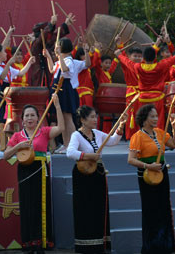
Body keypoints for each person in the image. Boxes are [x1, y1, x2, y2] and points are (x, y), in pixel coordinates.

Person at [3, 93, 66, 252]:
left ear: (38, 118)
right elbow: (6, 155)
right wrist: (19, 146)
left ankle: (41, 242)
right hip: (24, 171)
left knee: (41, 205)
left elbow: (61, 128)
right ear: (22, 120)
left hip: (40, 170)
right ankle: (29, 242)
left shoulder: (43, 132)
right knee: (27, 205)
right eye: (27, 116)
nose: (30, 118)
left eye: (32, 115)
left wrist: (57, 105)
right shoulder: (17, 136)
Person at [66, 106, 126, 253]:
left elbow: (112, 141)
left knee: (99, 207)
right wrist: (88, 156)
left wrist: (120, 127)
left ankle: (100, 242)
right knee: (85, 207)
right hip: (83, 175)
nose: (95, 119)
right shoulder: (76, 135)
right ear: (82, 120)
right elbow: (70, 152)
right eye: (92, 117)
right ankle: (86, 244)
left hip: (97, 174)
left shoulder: (97, 133)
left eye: (95, 116)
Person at [127, 104, 175, 254]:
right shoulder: (137, 136)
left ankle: (165, 245)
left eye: (156, 116)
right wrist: (148, 166)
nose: (156, 118)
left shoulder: (159, 133)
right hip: (147, 175)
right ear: (144, 119)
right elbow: (130, 159)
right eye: (152, 116)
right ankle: (151, 247)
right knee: (151, 210)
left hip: (161, 173)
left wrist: (174, 126)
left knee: (164, 208)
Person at [116, 43, 175, 130]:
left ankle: (144, 136)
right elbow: (174, 59)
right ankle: (158, 137)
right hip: (157, 98)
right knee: (158, 121)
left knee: (143, 121)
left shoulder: (138, 67)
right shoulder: (160, 66)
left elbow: (127, 61)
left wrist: (119, 55)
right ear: (155, 57)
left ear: (143, 58)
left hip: (143, 98)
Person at [47, 38, 90, 152]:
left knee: (68, 117)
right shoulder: (61, 61)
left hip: (66, 90)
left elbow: (65, 69)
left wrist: (86, 52)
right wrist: (48, 56)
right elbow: (52, 69)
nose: (56, 48)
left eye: (58, 46)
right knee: (62, 118)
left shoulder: (70, 61)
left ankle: (72, 144)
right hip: (58, 89)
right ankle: (66, 144)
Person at [115, 39, 142, 139]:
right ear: (129, 57)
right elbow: (123, 58)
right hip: (132, 94)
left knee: (142, 114)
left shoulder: (142, 66)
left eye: (139, 56)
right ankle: (132, 137)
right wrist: (119, 45)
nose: (137, 58)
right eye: (135, 56)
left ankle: (142, 136)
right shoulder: (127, 66)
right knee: (131, 115)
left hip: (142, 94)